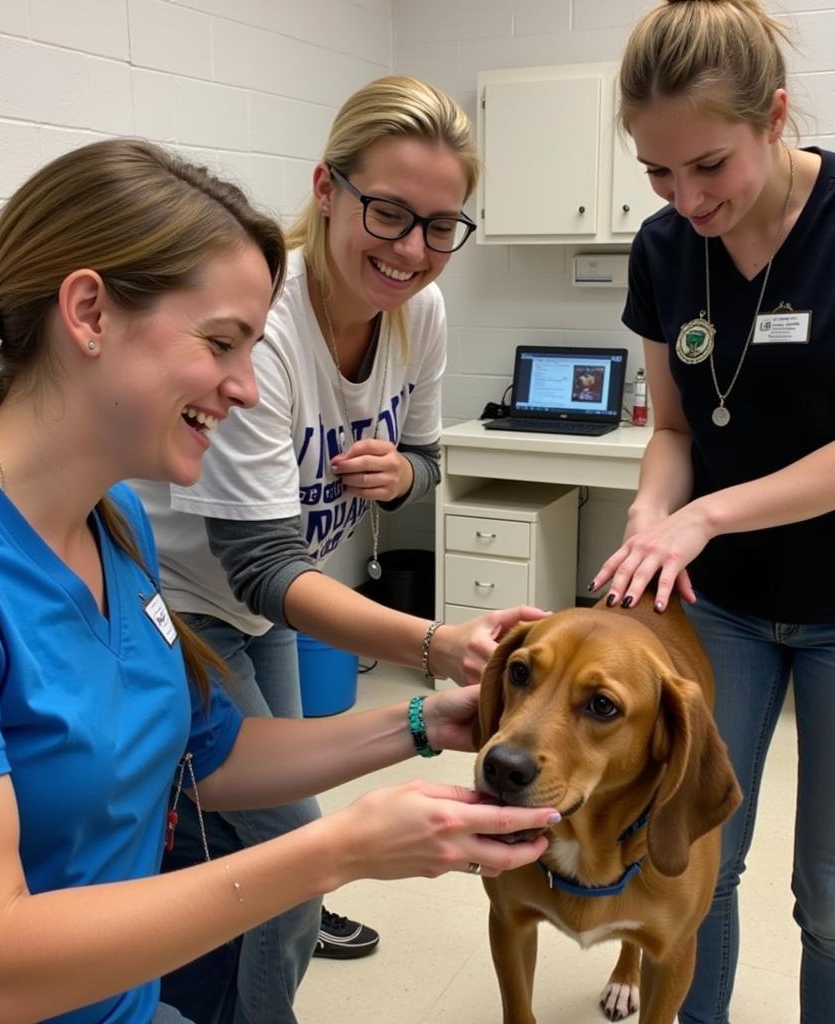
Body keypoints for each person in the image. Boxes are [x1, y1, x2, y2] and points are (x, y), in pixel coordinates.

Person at [0, 137, 560, 1024]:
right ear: (89, 311)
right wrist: (338, 852)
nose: (247, 390)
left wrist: (422, 721)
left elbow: (212, 756)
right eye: (221, 344)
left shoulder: (117, 525)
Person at [131, 76, 543, 1024]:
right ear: (327, 188)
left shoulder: (419, 313)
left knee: (273, 812)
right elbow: (261, 567)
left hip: (257, 603)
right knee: (285, 857)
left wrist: (405, 478)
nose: (412, 250)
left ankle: (264, 925)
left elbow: (431, 457)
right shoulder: (264, 328)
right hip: (182, 600)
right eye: (389, 213)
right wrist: (437, 645)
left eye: (441, 226)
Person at [591, 2, 835, 1022]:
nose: (685, 197)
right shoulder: (664, 249)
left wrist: (702, 518)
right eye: (657, 173)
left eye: (708, 164)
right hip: (723, 609)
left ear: (774, 118)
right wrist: (649, 519)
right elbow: (671, 431)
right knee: (698, 865)